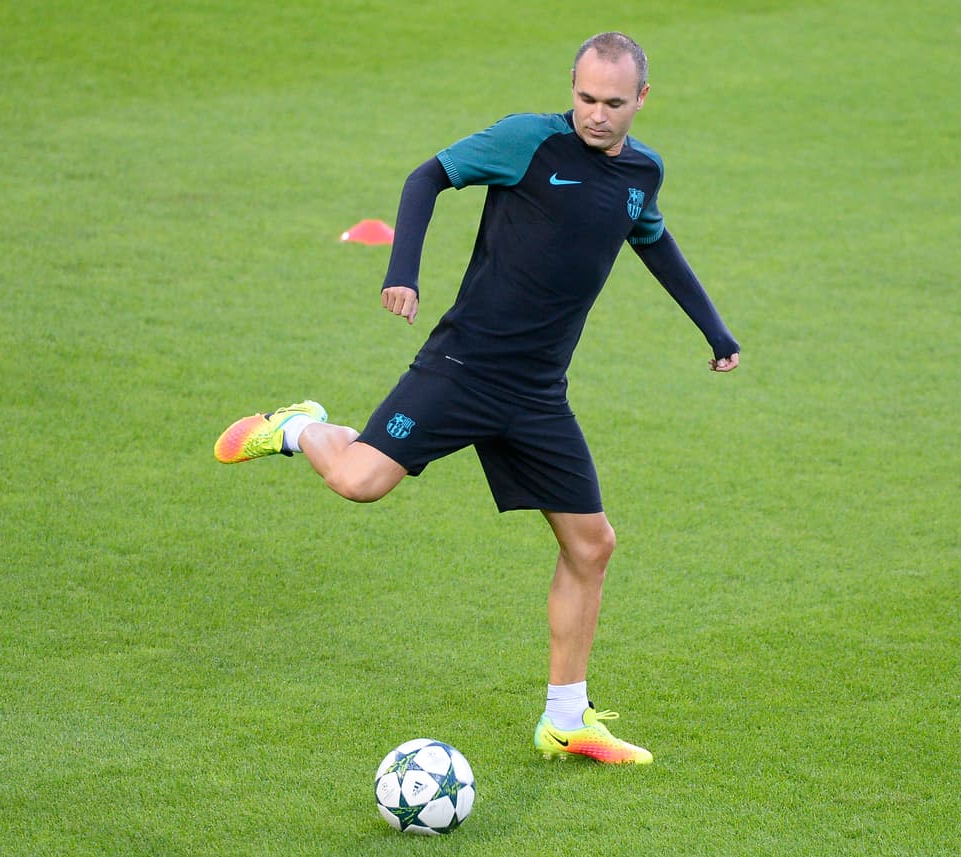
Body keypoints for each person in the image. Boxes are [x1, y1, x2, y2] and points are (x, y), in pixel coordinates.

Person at [214, 32, 739, 765]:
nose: (595, 113)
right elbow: (426, 177)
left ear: (641, 100)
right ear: (572, 87)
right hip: (463, 367)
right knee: (361, 481)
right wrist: (404, 271)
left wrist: (715, 331)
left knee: (592, 544)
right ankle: (302, 427)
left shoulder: (641, 174)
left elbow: (652, 240)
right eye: (584, 97)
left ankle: (565, 719)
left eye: (613, 103)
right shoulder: (528, 142)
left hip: (536, 394)